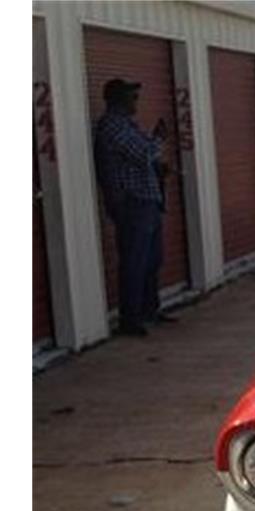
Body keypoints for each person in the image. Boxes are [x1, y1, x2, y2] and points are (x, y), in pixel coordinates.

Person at [93, 78, 177, 337]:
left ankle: (149, 309)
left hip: (146, 202)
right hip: (132, 204)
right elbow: (142, 152)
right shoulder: (113, 127)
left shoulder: (127, 125)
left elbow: (140, 160)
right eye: (132, 97)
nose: (136, 102)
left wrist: (157, 167)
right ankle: (130, 319)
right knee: (135, 261)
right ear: (118, 100)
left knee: (152, 260)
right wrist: (158, 139)